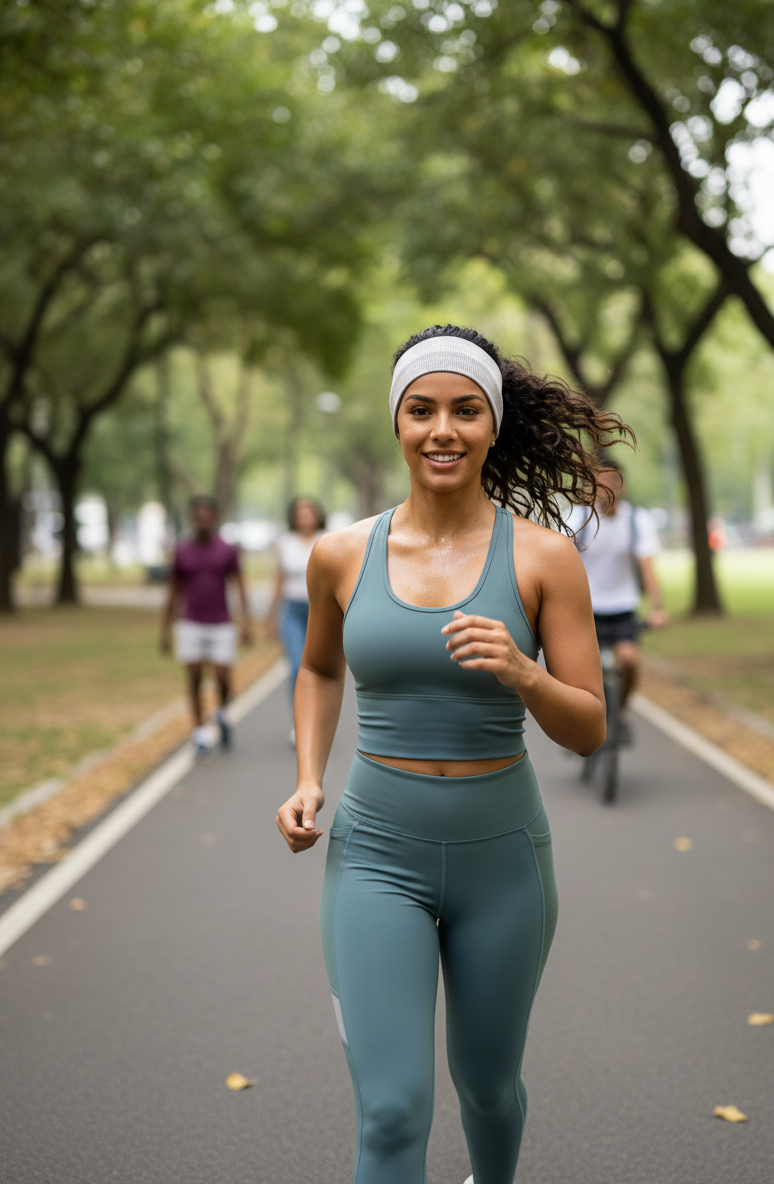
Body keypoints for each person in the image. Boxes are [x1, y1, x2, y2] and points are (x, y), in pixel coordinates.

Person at [274, 325, 629, 1184]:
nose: (444, 429)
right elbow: (319, 668)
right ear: (397, 423)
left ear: (492, 425)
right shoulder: (341, 554)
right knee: (392, 1110)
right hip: (375, 856)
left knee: (488, 1089)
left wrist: (522, 673)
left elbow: (587, 726)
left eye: (466, 410)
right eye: (422, 409)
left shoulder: (544, 559)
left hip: (502, 859)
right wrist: (308, 778)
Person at [565, 461, 668, 737]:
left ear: (624, 486)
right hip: (586, 609)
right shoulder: (578, 517)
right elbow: (560, 561)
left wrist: (658, 608)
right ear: (592, 486)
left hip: (623, 607)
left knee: (630, 660)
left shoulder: (637, 520)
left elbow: (647, 567)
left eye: (615, 481)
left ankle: (618, 712)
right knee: (580, 673)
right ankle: (582, 723)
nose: (609, 487)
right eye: (603, 481)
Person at [160, 495, 252, 755]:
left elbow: (239, 584)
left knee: (223, 676)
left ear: (213, 518)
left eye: (207, 515)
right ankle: (199, 732)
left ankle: (221, 713)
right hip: (191, 622)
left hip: (221, 622)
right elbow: (173, 591)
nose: (202, 520)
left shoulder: (226, 549)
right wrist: (165, 630)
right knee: (195, 675)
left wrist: (246, 623)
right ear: (192, 518)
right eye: (197, 515)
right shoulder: (182, 550)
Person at [267, 497, 326, 743]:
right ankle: (299, 725)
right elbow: (278, 581)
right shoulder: (285, 543)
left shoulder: (328, 539)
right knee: (295, 668)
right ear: (293, 517)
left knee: (321, 670)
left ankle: (320, 721)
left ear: (317, 515)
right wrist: (271, 617)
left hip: (320, 611)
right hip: (292, 611)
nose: (304, 517)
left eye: (308, 512)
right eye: (299, 513)